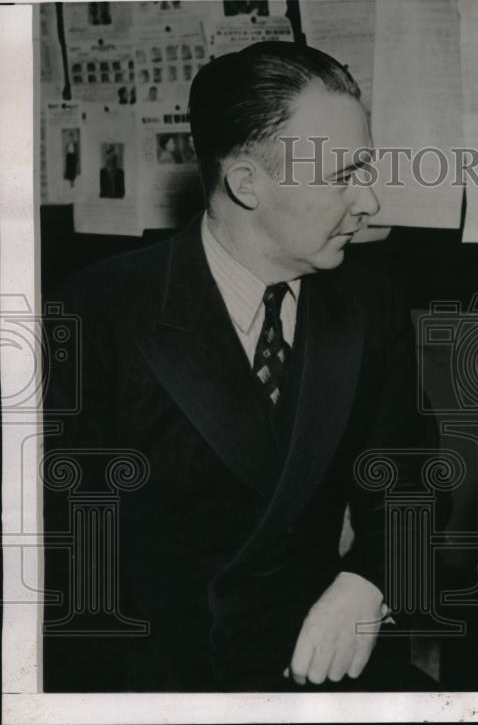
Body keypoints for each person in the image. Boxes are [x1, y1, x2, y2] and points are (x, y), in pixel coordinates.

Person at [44, 41, 433, 692]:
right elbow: (70, 567)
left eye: (366, 169)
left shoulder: (372, 305)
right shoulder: (99, 311)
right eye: (343, 176)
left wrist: (369, 582)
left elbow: (412, 486)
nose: (370, 203)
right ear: (247, 183)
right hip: (158, 680)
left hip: (321, 658)